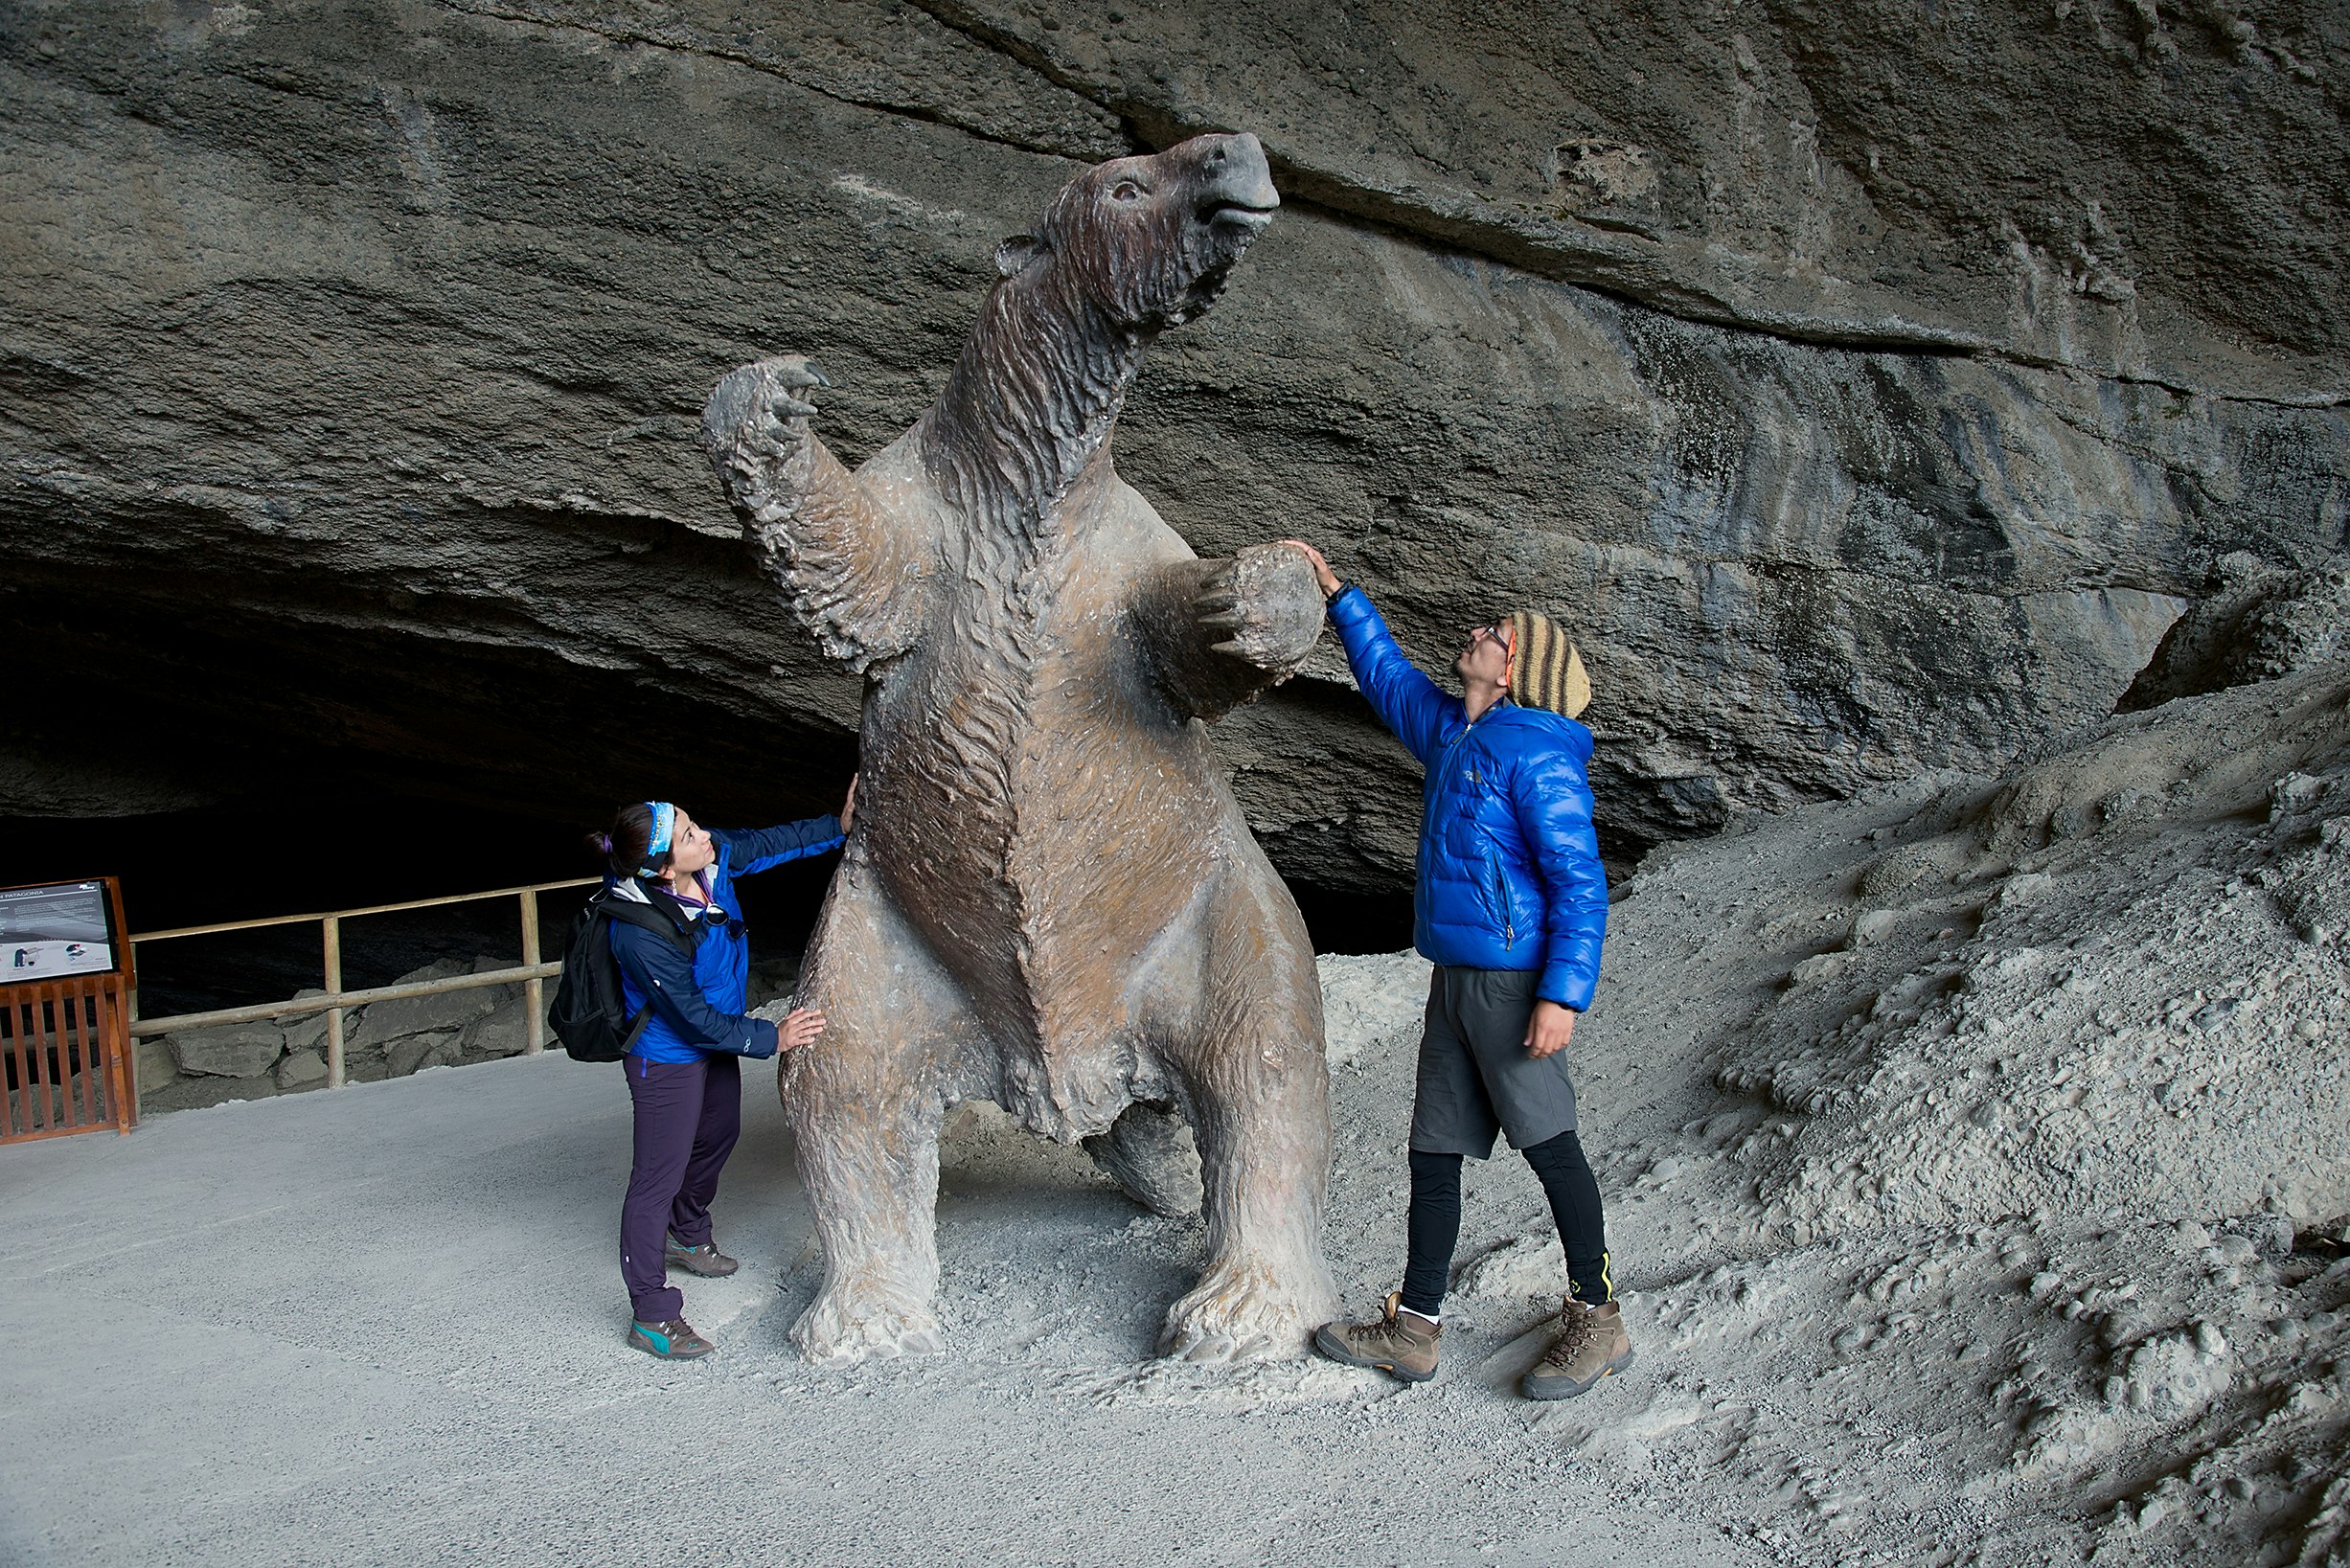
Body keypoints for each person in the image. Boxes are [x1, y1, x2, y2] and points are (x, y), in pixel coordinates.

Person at [1281, 540, 1629, 1400]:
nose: (1476, 633)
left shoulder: (1535, 752)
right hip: (1453, 982)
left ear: (1515, 672)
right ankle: (1415, 1330)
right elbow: (1391, 680)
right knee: (1432, 1152)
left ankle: (1598, 1313)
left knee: (1552, 1148)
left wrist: (1561, 994)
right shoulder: (1461, 731)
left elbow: (1580, 884)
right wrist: (1338, 594)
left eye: (1495, 634)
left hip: (1513, 985)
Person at [590, 784, 855, 1360]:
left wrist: (838, 823)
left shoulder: (711, 862)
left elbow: (766, 843)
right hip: (667, 1055)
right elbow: (687, 1015)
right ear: (663, 869)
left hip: (714, 1035)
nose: (705, 835)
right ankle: (652, 1314)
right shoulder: (638, 930)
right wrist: (771, 1037)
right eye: (689, 835)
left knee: (718, 1134)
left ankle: (688, 1233)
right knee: (654, 1179)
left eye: (695, 822)